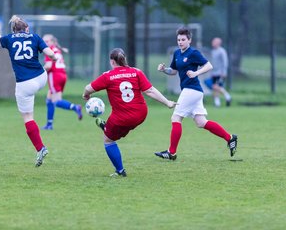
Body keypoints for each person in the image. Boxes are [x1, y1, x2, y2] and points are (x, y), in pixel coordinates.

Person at [82, 48, 177, 177]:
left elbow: (88, 88)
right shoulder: (136, 72)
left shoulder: (108, 76)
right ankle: (108, 127)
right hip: (140, 114)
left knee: (108, 140)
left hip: (122, 117)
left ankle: (120, 171)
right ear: (124, 59)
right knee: (118, 129)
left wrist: (86, 95)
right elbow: (150, 91)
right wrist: (167, 102)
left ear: (112, 61)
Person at [154, 27, 238, 161]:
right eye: (178, 39)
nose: (180, 42)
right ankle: (230, 138)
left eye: (183, 39)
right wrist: (164, 70)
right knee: (201, 122)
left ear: (189, 40)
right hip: (192, 91)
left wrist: (196, 73)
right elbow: (174, 71)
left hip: (191, 90)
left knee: (176, 118)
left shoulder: (193, 53)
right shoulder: (177, 53)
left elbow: (208, 66)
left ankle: (171, 153)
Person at [0, 15, 57, 167]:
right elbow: (50, 53)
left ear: (13, 30)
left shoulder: (9, 39)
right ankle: (40, 149)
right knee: (32, 95)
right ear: (26, 28)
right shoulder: (34, 36)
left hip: (25, 84)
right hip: (41, 78)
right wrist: (54, 59)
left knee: (28, 118)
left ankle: (40, 148)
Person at [41, 34, 82, 130]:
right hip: (62, 75)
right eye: (44, 41)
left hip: (55, 76)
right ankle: (49, 124)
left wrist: (39, 72)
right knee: (49, 99)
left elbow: (48, 66)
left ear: (52, 42)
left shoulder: (49, 50)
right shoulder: (56, 49)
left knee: (56, 101)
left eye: (47, 41)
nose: (45, 43)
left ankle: (75, 107)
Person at [210, 37, 232, 107]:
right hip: (214, 73)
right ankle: (217, 103)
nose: (212, 43)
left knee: (215, 86)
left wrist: (224, 72)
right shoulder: (213, 51)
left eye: (214, 42)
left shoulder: (222, 51)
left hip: (220, 72)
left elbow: (225, 62)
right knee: (216, 88)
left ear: (218, 43)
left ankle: (227, 96)